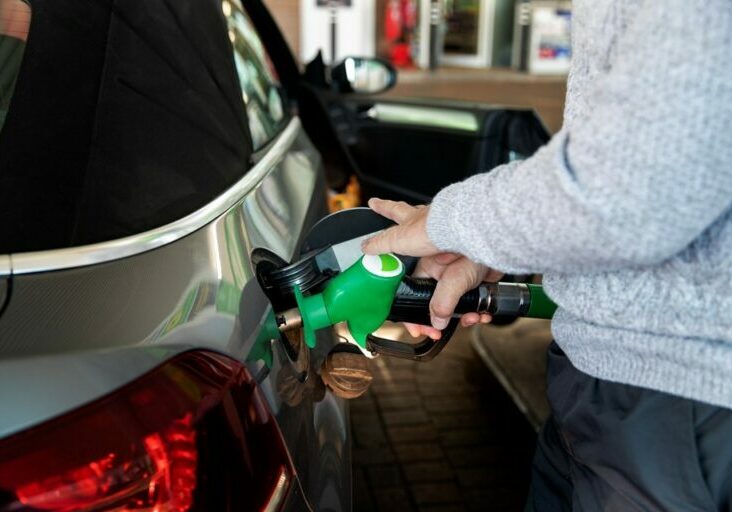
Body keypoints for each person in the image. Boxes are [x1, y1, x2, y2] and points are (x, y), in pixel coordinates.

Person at [361, 0, 732, 509]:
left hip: (678, 397)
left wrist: (453, 221)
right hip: (598, 379)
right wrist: (492, 244)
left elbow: (632, 189)